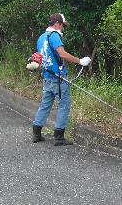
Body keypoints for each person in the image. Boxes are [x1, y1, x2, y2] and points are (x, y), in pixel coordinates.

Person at [32, 13, 91, 146]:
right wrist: (80, 61)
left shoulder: (41, 38)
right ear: (57, 23)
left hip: (46, 77)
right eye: (62, 25)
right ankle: (59, 137)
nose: (63, 28)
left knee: (45, 105)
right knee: (64, 104)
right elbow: (62, 54)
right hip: (58, 78)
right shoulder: (55, 36)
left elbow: (40, 58)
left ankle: (36, 133)